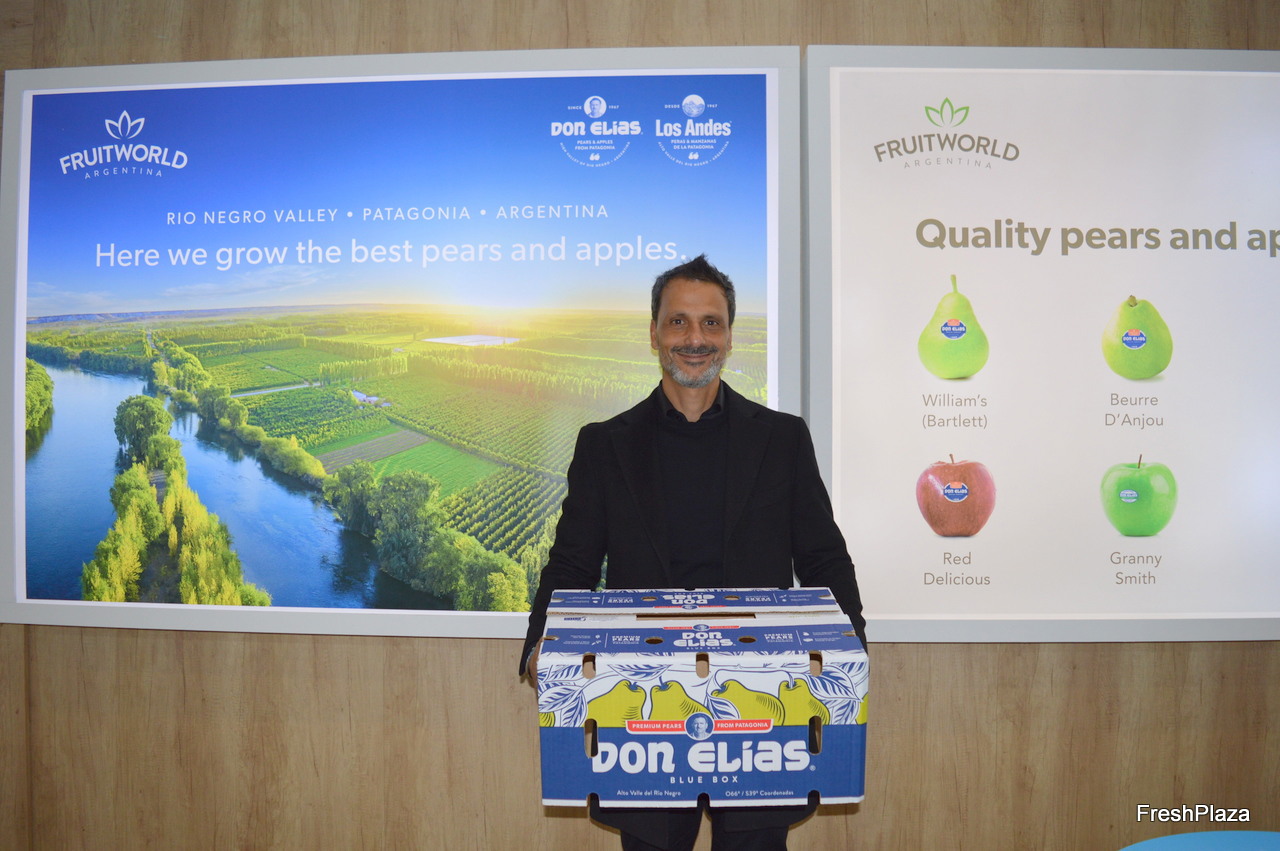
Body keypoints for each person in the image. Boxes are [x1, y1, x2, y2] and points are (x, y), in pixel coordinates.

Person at [521, 254, 866, 851]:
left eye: (711, 323)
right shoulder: (604, 444)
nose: (695, 338)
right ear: (654, 334)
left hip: (761, 699)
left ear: (729, 336)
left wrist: (849, 645)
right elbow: (573, 563)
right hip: (646, 702)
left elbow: (822, 558)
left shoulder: (783, 439)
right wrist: (539, 642)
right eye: (678, 322)